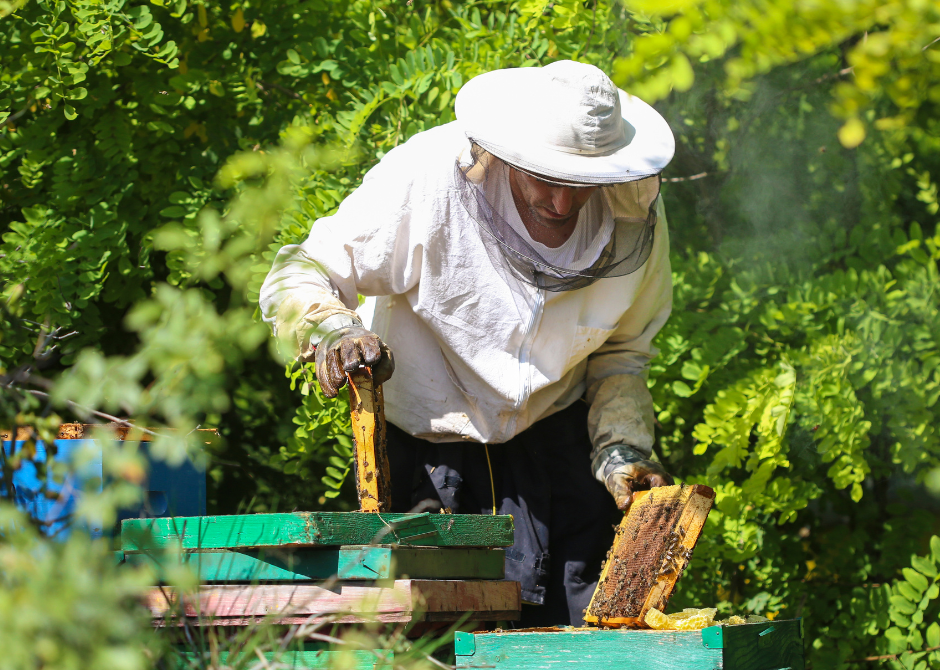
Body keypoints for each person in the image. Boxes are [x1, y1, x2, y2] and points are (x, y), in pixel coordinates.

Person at [260, 60, 676, 626]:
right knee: (430, 641)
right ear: (509, 154)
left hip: (556, 447)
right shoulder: (427, 178)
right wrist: (334, 329)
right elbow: (302, 269)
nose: (562, 204)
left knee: (578, 642)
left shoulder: (632, 212)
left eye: (581, 184)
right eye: (547, 178)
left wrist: (621, 449)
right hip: (428, 454)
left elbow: (622, 353)